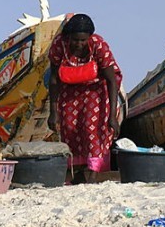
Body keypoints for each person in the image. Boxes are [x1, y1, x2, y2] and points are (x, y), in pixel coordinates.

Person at [47, 13, 122, 183]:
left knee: (91, 128)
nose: (78, 44)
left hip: (95, 90)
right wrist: (53, 112)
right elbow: (53, 79)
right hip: (69, 90)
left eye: (82, 40)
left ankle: (93, 171)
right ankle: (76, 170)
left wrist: (112, 116)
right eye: (75, 40)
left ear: (89, 38)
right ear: (68, 37)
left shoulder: (98, 45)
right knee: (69, 128)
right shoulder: (59, 45)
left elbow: (111, 80)